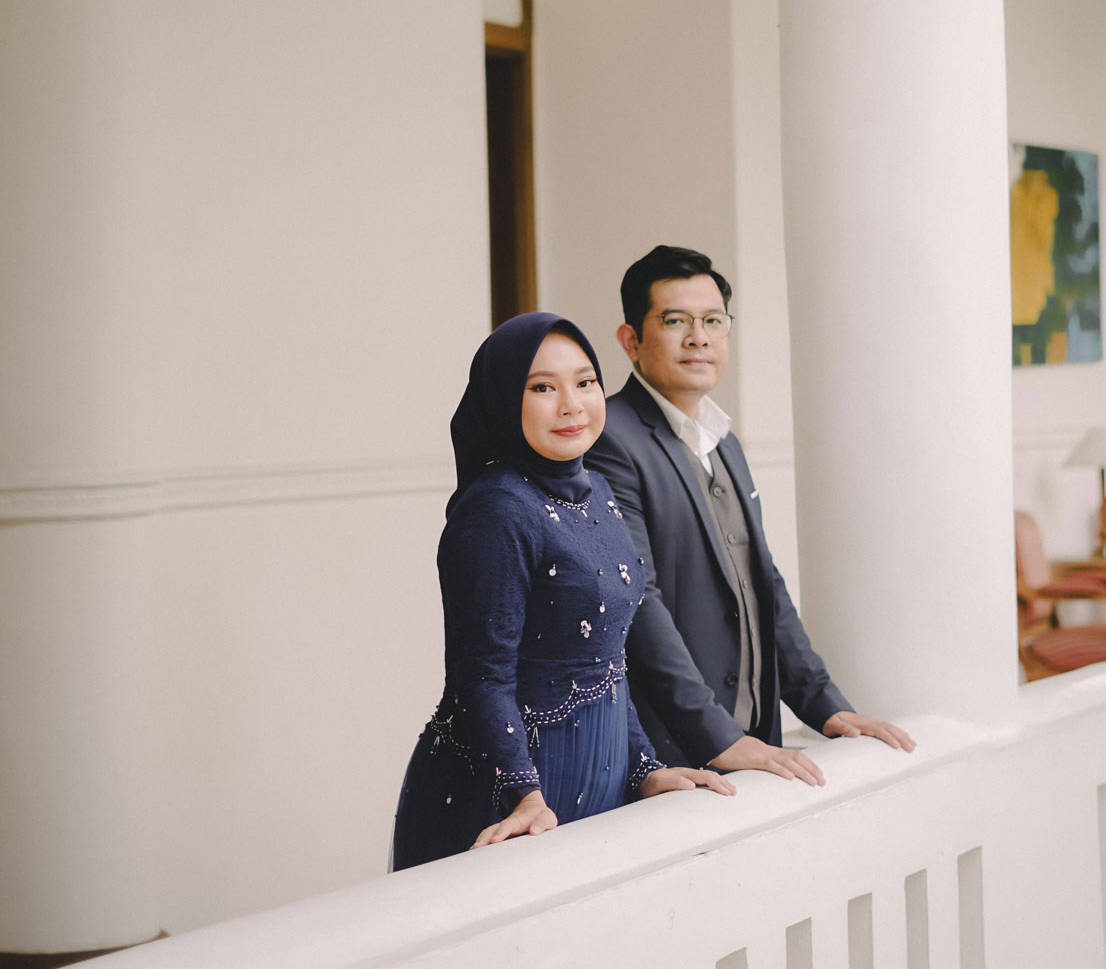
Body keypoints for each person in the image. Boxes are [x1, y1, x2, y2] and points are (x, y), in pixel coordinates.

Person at [392, 310, 733, 868]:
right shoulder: (496, 510)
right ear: (504, 400)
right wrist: (522, 792)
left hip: (597, 775)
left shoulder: (598, 489)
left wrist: (644, 768)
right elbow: (482, 674)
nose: (572, 404)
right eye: (543, 388)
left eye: (585, 382)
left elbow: (607, 658)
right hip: (512, 799)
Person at [591, 245, 915, 786]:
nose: (699, 337)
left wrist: (825, 706)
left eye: (713, 321)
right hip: (670, 751)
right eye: (675, 321)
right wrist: (718, 736)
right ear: (631, 340)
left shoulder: (724, 441)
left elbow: (763, 583)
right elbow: (639, 604)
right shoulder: (610, 440)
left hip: (755, 737)